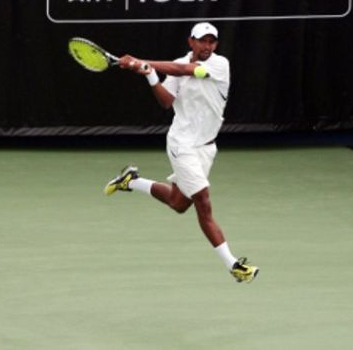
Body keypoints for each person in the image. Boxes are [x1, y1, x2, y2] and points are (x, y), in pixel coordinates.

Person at [103, 22, 259, 283]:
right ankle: (234, 266)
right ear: (191, 42)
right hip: (182, 144)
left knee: (179, 203)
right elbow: (166, 101)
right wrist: (150, 75)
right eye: (202, 41)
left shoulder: (220, 65)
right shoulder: (176, 64)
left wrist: (142, 62)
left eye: (211, 41)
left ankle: (132, 181)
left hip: (206, 147)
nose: (207, 46)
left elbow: (185, 69)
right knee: (203, 202)